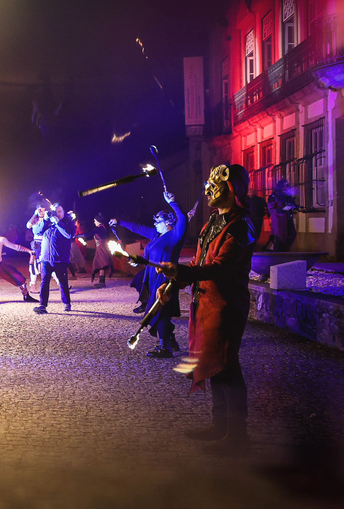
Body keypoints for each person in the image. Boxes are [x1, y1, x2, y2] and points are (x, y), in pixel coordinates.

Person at [156, 164, 256, 455]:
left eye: (216, 185)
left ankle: (237, 436)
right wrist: (172, 284)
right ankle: (219, 425)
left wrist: (181, 273)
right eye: (209, 185)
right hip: (205, 304)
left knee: (227, 366)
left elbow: (220, 267)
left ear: (232, 190)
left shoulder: (241, 225)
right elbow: (198, 262)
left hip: (226, 305)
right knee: (213, 365)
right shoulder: (212, 221)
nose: (209, 190)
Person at [112, 191, 188, 358]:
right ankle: (170, 341)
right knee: (160, 309)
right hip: (151, 277)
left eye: (158, 221)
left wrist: (173, 203)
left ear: (168, 222)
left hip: (165, 278)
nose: (155, 224)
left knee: (159, 309)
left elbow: (183, 218)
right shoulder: (156, 235)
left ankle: (164, 347)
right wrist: (120, 222)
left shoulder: (175, 235)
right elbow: (138, 228)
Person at [29, 202, 76, 314]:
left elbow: (69, 235)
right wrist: (45, 220)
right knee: (44, 282)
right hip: (46, 258)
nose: (57, 213)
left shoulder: (68, 223)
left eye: (59, 211)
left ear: (63, 212)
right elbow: (36, 231)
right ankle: (42, 305)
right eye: (55, 212)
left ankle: (67, 303)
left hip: (60, 258)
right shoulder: (48, 223)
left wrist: (58, 222)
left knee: (63, 282)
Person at [84, 215, 117, 288]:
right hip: (101, 248)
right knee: (100, 264)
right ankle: (101, 282)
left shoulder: (100, 228)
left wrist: (76, 235)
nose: (94, 222)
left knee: (101, 264)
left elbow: (88, 234)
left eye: (95, 221)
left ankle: (102, 282)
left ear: (98, 221)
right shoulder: (102, 228)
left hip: (102, 248)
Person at [267, 180, 299, 251]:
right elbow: (271, 210)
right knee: (279, 239)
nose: (286, 187)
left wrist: (294, 206)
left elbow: (292, 204)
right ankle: (277, 254)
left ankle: (285, 253)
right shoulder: (274, 196)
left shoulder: (287, 196)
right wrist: (283, 209)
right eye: (284, 186)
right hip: (279, 221)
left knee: (290, 236)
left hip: (288, 220)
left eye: (287, 186)